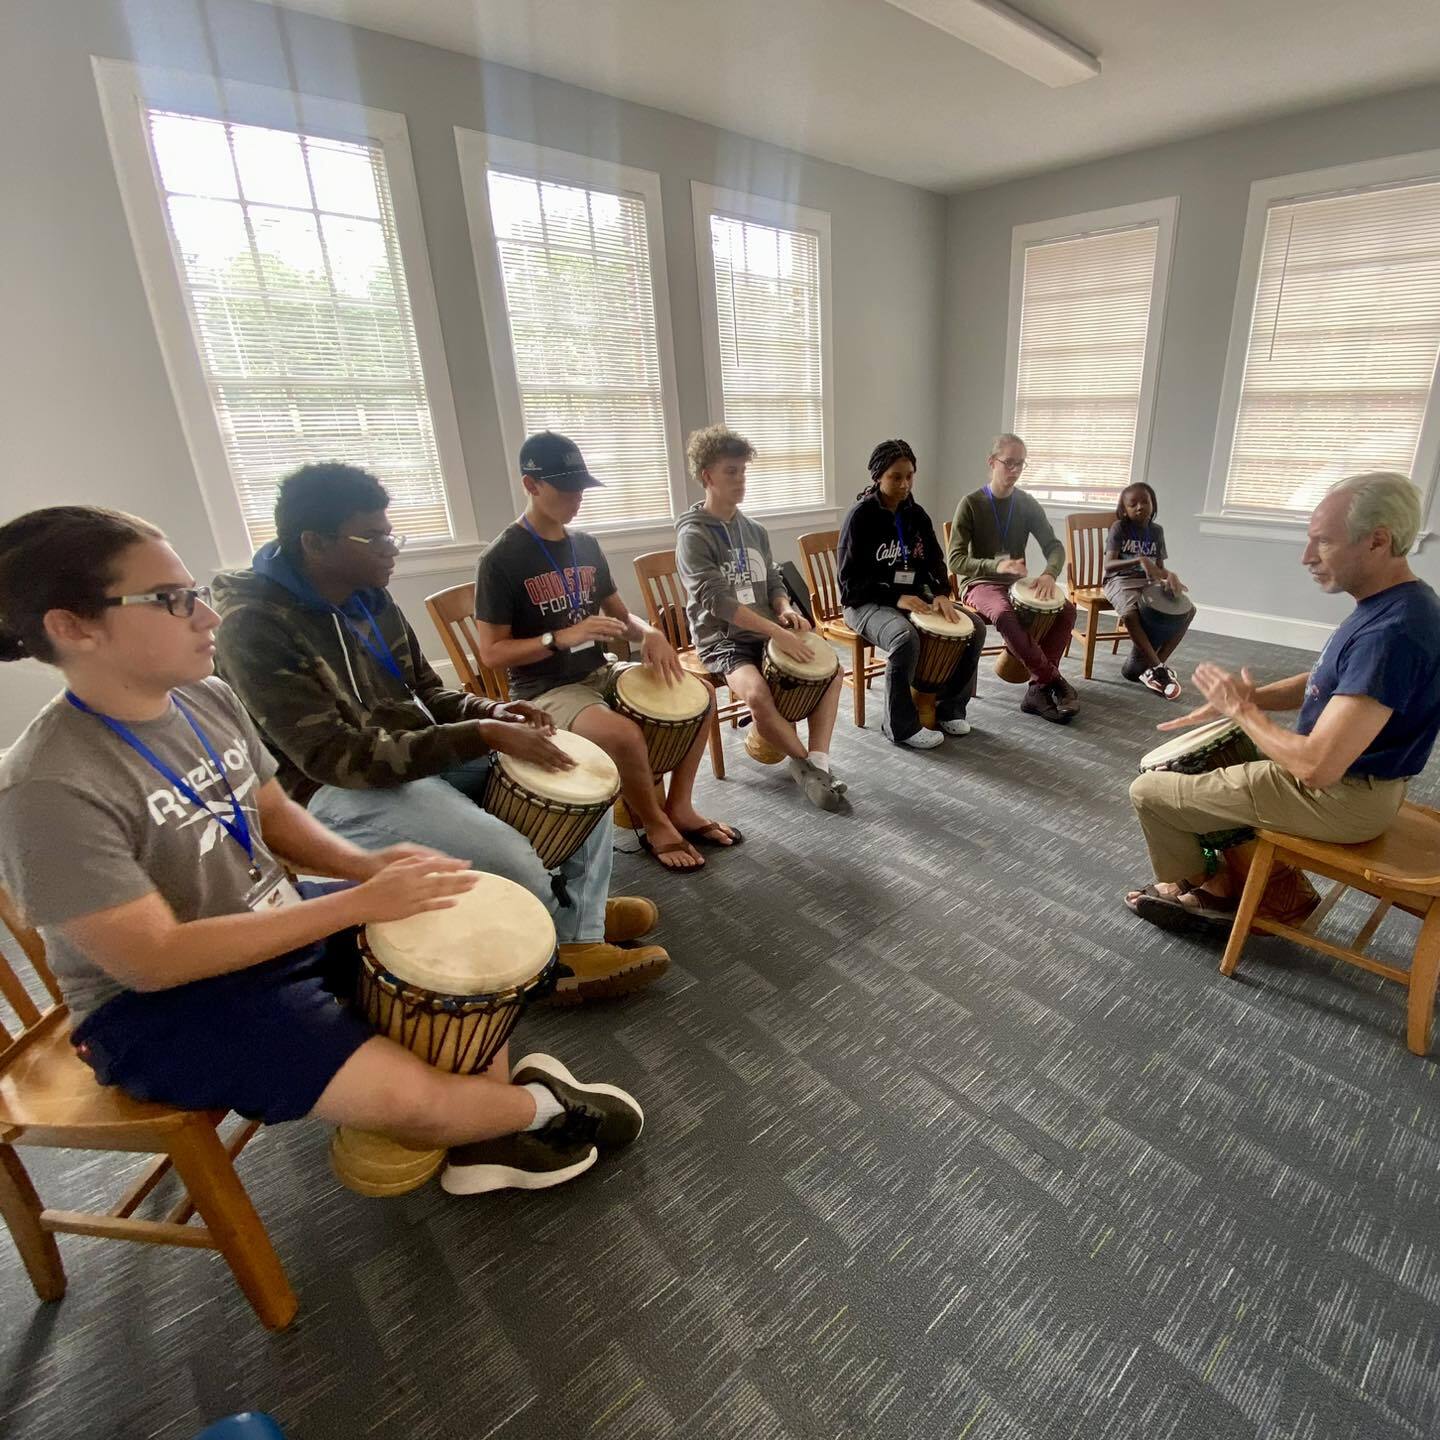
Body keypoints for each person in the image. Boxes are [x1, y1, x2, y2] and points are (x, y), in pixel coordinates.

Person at [0, 506, 644, 1196]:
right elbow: (153, 960)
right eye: (171, 600)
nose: (206, 615)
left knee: (472, 925)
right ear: (71, 627)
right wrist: (359, 903)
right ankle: (536, 1107)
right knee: (417, 1102)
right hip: (160, 1006)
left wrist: (368, 870)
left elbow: (274, 814)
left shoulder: (204, 697)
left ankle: (468, 1135)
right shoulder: (45, 785)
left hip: (275, 921)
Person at [212, 463, 667, 1005]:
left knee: (582, 776)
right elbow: (336, 758)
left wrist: (493, 712)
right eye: (375, 536)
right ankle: (549, 945)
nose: (392, 547)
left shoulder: (369, 597)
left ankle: (574, 933)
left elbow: (430, 693)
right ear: (316, 542)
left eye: (390, 532)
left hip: (411, 750)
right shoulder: (254, 626)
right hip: (333, 789)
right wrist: (481, 733)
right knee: (510, 854)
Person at [1126, 472, 1440, 932]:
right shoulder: (1401, 603)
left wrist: (1243, 711)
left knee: (1149, 792)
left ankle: (1212, 894)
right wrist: (1254, 695)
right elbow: (1325, 679)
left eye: (1323, 543)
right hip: (1362, 788)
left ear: (1377, 541)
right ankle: (1264, 884)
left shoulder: (1391, 635)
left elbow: (1318, 767)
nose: (1306, 556)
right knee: (1210, 762)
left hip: (1342, 797)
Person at [474, 432, 738, 874]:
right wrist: (559, 637)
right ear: (531, 484)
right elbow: (492, 653)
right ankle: (655, 824)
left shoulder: (586, 544)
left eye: (581, 486)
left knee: (703, 697)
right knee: (623, 735)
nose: (577, 497)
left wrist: (648, 630)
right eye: (566, 487)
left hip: (600, 669)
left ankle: (681, 807)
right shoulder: (501, 559)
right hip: (546, 687)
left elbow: (620, 614)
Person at [675, 424, 847, 811]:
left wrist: (786, 610)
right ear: (707, 477)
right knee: (756, 693)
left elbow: (772, 580)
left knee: (833, 672)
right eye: (730, 472)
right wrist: (776, 632)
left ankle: (817, 761)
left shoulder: (754, 530)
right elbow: (715, 601)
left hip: (765, 633)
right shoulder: (693, 536)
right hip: (722, 639)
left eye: (743, 471)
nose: (741, 480)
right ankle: (804, 763)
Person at [839, 438, 987, 750]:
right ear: (878, 476)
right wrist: (895, 598)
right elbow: (850, 583)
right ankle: (900, 727)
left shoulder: (916, 515)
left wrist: (942, 593)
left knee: (975, 628)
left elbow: (934, 561)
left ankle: (950, 708)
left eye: (909, 476)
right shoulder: (860, 517)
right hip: (864, 602)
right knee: (904, 638)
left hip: (912, 596)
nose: (905, 484)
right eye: (896, 477)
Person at [946, 433, 1079, 724]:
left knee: (1066, 610)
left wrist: (1048, 574)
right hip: (979, 584)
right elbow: (955, 561)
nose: (1015, 470)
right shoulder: (970, 503)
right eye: (1009, 463)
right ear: (992, 462)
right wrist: (997, 565)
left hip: (1016, 584)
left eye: (1021, 464)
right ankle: (1052, 679)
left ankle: (1037, 690)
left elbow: (1054, 547)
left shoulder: (1027, 504)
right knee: (1005, 614)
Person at [1103, 482, 1194, 700]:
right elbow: (1108, 565)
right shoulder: (1119, 528)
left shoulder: (1156, 531)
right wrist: (1139, 559)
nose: (1140, 507)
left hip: (1147, 583)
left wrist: (1170, 576)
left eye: (1145, 501)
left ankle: (1153, 668)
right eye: (1132, 504)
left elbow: (1159, 569)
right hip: (1120, 581)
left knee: (1188, 611)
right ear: (1124, 509)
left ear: (1153, 504)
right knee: (1130, 614)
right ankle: (1159, 670)